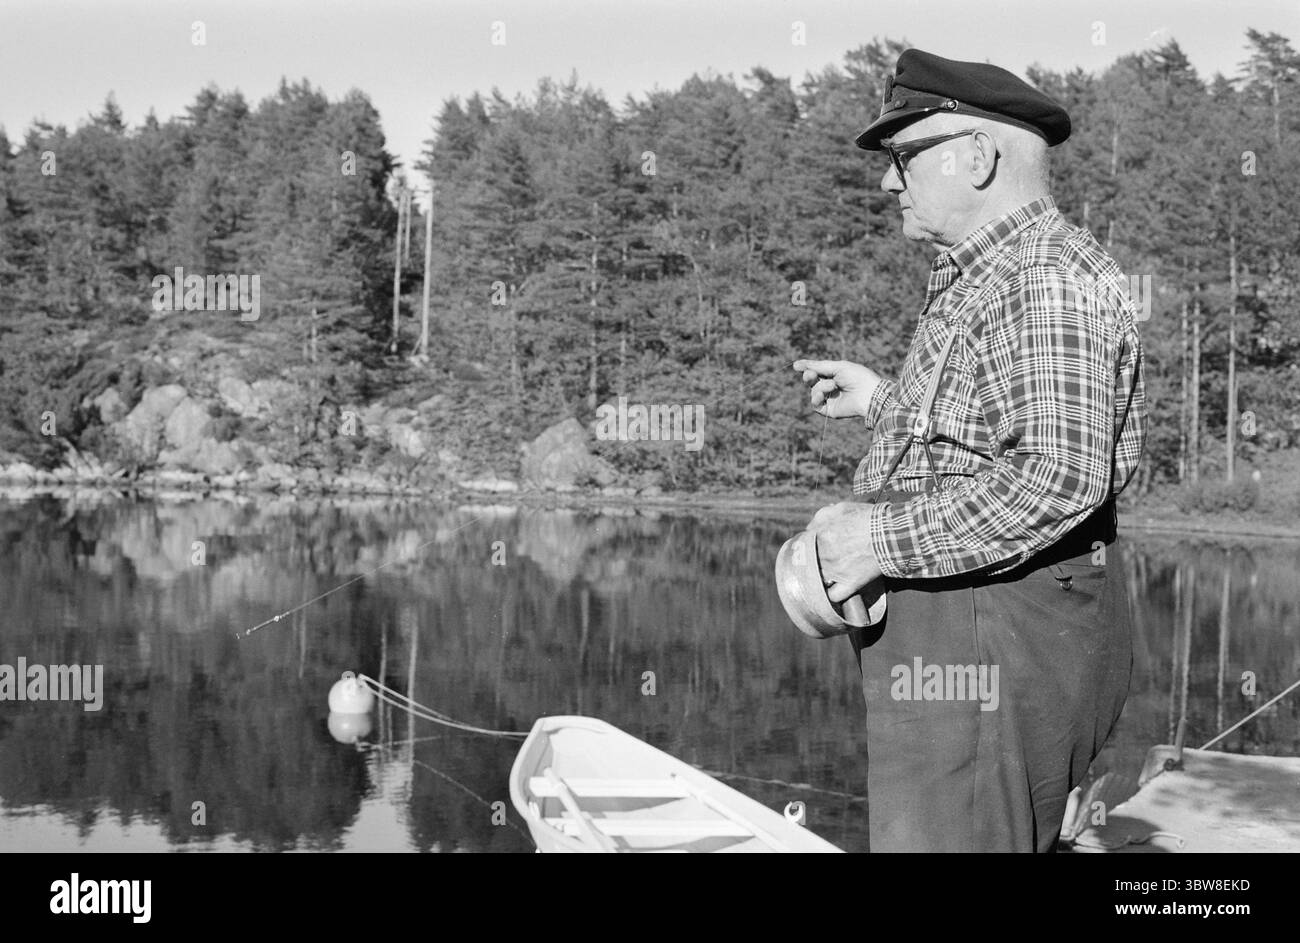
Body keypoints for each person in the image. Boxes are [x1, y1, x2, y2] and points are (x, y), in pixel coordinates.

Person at [792, 49, 1148, 852]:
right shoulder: (993, 272)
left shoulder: (1042, 278)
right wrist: (883, 400)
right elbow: (983, 437)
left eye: (903, 155)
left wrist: (873, 538)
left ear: (978, 155)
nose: (889, 182)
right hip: (974, 632)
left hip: (992, 637)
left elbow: (1056, 476)